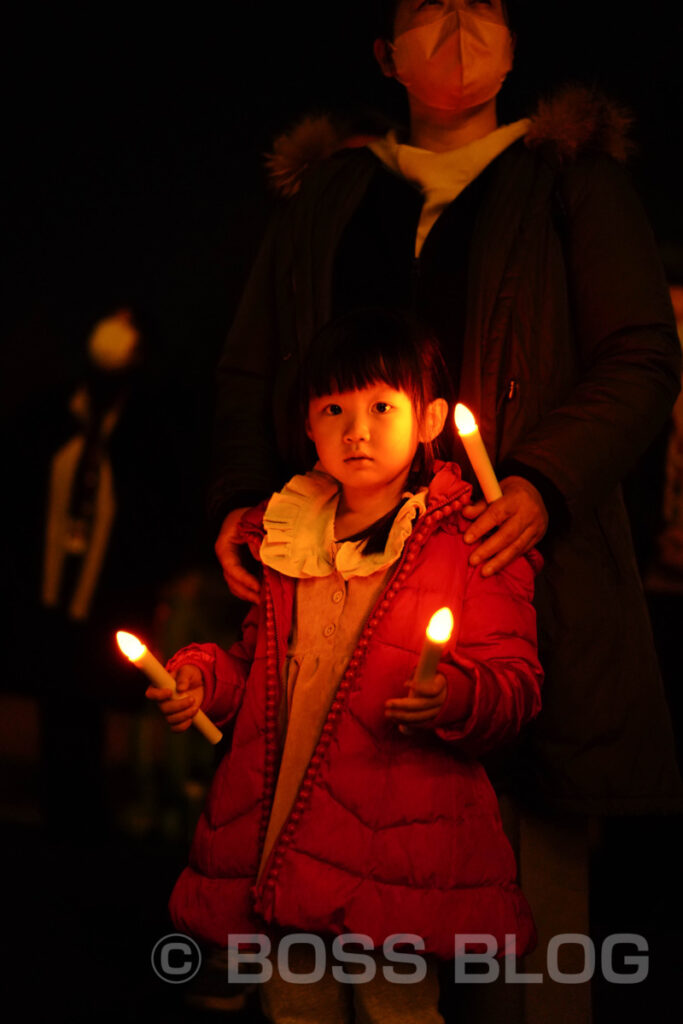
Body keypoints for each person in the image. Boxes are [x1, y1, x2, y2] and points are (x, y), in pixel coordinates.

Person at [147, 309, 544, 1023]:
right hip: (283, 833)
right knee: (296, 1005)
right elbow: (258, 670)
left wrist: (452, 695)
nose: (355, 428)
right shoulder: (287, 531)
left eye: (379, 406)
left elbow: (513, 684)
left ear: (426, 421)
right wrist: (201, 681)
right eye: (334, 407)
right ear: (307, 424)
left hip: (396, 844)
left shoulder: (468, 539)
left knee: (399, 1009)